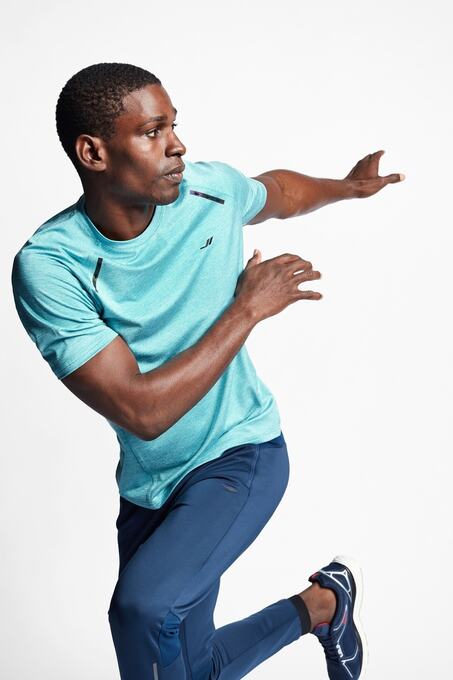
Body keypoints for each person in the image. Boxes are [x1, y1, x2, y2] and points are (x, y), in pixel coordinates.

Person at [11, 62, 404, 680]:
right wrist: (246, 309)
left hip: (240, 454)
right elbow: (142, 411)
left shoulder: (208, 192)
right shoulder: (54, 265)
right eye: (153, 131)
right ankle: (321, 606)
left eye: (174, 126)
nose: (178, 146)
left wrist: (348, 188)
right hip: (150, 486)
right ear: (93, 152)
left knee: (142, 613)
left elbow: (277, 192)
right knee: (192, 668)